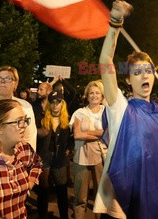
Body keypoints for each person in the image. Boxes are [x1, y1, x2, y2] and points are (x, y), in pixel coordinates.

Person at [93, 0, 158, 218]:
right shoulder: (120, 107)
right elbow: (105, 60)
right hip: (123, 201)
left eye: (148, 71)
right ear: (128, 80)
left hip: (153, 198)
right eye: (137, 72)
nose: (144, 75)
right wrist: (115, 23)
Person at [70, 80, 106, 219]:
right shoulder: (79, 113)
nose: (94, 95)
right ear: (87, 95)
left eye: (97, 93)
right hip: (82, 157)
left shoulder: (106, 112)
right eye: (91, 93)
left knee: (101, 196)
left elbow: (108, 133)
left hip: (101, 157)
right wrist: (99, 133)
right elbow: (77, 135)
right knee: (80, 197)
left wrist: (88, 134)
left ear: (102, 96)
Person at [36, 90, 72, 219]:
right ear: (48, 104)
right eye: (52, 102)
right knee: (43, 190)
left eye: (58, 102)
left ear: (63, 104)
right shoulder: (41, 119)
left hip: (60, 158)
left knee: (62, 191)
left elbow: (71, 139)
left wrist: (68, 149)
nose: (55, 105)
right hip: (44, 156)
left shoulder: (67, 121)